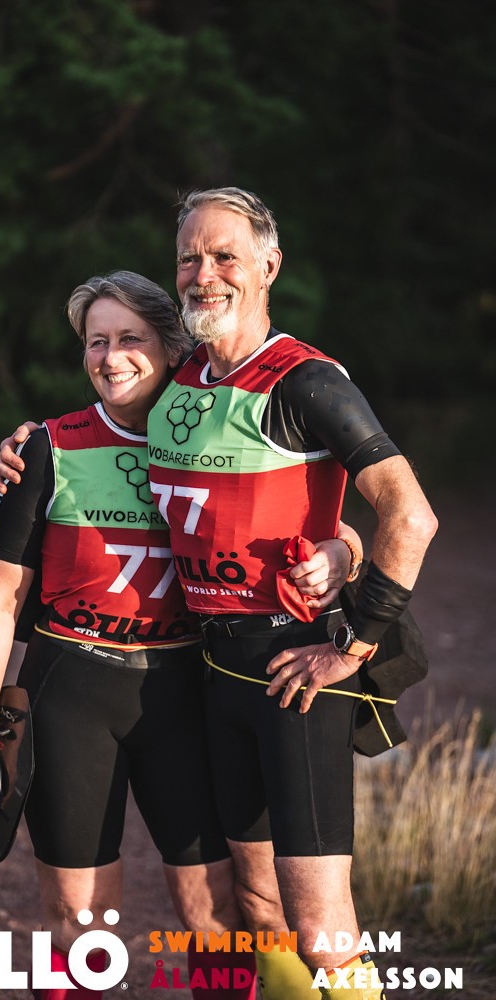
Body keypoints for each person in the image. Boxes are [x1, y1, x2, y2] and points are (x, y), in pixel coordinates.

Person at [0, 269, 358, 1000]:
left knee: (213, 914)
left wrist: (345, 550)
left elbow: (298, 519)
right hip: (71, 691)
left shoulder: (215, 433)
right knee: (77, 917)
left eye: (130, 339)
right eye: (95, 342)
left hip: (186, 691)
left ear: (172, 346)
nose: (110, 357)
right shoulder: (45, 448)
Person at [145, 187, 438, 1000]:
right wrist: (22, 442)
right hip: (211, 669)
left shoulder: (303, 380)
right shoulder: (178, 377)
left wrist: (354, 643)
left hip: (295, 673)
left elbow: (409, 515)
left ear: (268, 265)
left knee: (320, 927)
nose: (204, 274)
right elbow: (95, 427)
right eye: (189, 258)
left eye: (224, 255)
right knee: (259, 908)